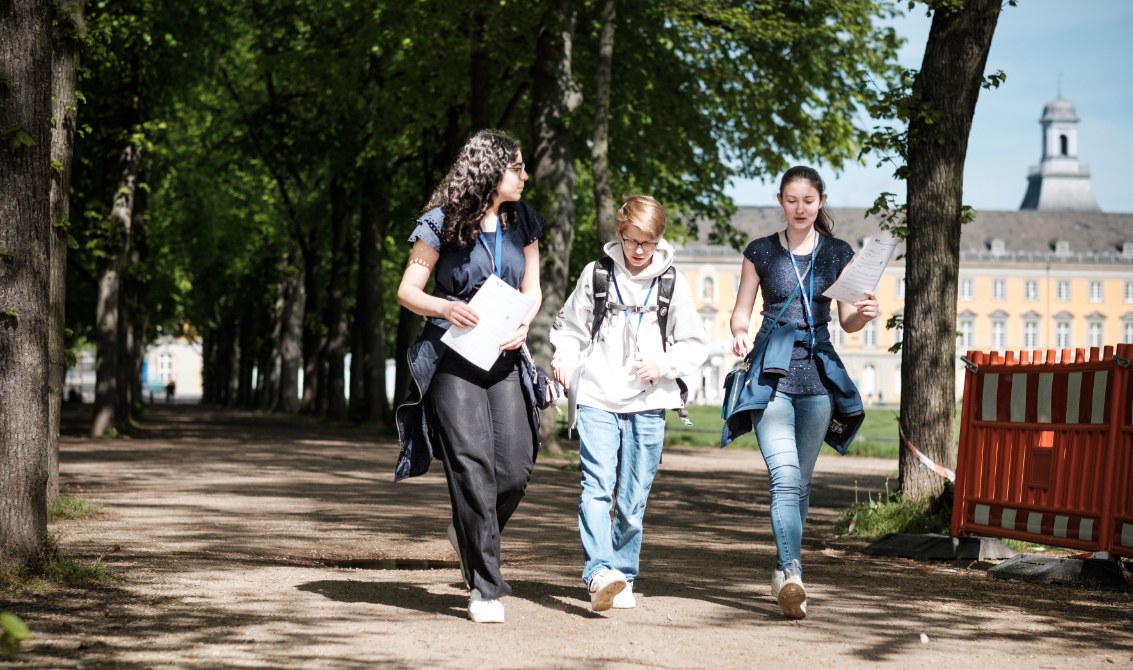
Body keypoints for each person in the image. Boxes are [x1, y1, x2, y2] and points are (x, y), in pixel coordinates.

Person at [394, 129, 543, 624]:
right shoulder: (440, 223)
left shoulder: (523, 221)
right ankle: (484, 588)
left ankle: (468, 533)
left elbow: (533, 287)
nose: (525, 175)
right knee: (471, 465)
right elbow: (408, 291)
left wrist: (525, 321)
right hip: (452, 358)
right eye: (517, 167)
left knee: (516, 468)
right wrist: (445, 307)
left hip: (503, 358)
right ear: (490, 170)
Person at [723, 166, 878, 619]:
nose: (799, 208)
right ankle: (793, 573)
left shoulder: (838, 254)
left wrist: (866, 314)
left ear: (821, 201)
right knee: (785, 477)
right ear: (780, 200)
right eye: (791, 200)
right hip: (771, 373)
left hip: (817, 377)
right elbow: (741, 312)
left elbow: (848, 320)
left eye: (808, 201)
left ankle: (780, 569)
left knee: (802, 483)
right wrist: (739, 335)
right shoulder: (761, 252)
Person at [550, 195, 708, 612]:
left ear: (659, 239)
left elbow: (695, 344)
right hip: (599, 396)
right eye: (630, 241)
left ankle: (624, 574)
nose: (638, 251)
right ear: (619, 234)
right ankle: (599, 572)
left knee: (634, 499)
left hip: (648, 402)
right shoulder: (596, 274)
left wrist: (663, 364)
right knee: (597, 487)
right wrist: (564, 360)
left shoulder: (673, 282)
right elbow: (568, 328)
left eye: (647, 243)